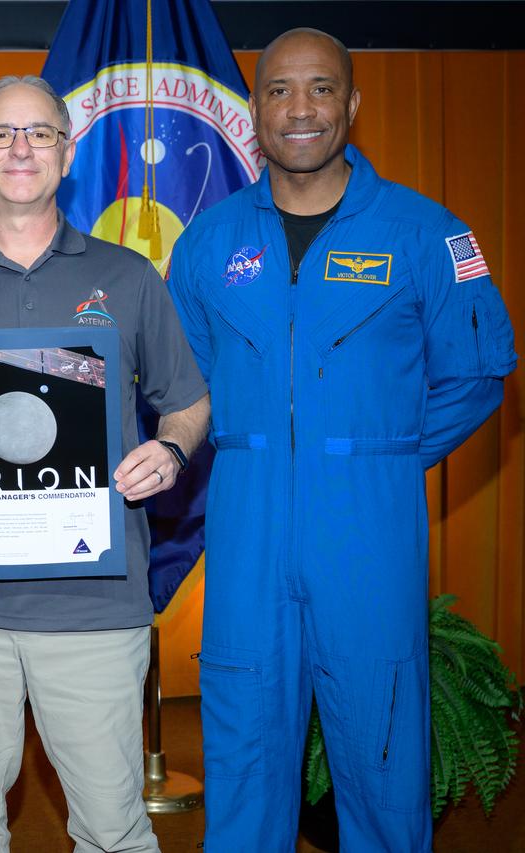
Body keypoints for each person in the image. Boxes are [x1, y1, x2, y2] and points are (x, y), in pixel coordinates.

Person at [168, 28, 517, 851]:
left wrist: (380, 453)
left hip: (369, 535)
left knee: (380, 754)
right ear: (254, 110)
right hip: (248, 532)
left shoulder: (426, 235)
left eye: (321, 89)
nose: (300, 109)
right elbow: (187, 386)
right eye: (280, 90)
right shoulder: (209, 244)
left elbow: (476, 375)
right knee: (244, 753)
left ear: (353, 105)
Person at [0, 76, 210, 853]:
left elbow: (188, 400)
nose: (20, 149)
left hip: (92, 608)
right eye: (1, 134)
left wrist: (173, 447)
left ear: (67, 152)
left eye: (40, 133)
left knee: (114, 831)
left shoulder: (127, 278)